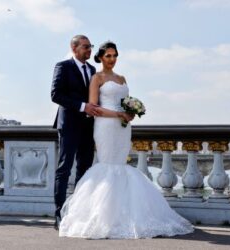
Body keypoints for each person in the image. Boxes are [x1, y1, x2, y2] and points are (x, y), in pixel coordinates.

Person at [58, 41, 194, 239]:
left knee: (121, 165)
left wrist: (131, 112)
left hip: (123, 128)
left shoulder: (122, 78)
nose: (112, 59)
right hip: (106, 126)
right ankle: (102, 217)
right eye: (108, 56)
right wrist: (118, 114)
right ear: (100, 57)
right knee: (108, 165)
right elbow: (94, 107)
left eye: (115, 56)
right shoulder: (96, 78)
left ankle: (125, 214)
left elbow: (125, 102)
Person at [51, 35, 101, 230]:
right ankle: (59, 214)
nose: (90, 50)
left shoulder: (92, 70)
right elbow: (55, 94)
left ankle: (78, 211)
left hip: (88, 127)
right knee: (64, 169)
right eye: (86, 47)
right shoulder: (63, 66)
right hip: (70, 124)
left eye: (91, 47)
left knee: (85, 169)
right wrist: (82, 106)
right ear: (74, 48)